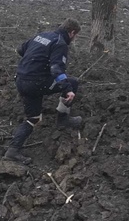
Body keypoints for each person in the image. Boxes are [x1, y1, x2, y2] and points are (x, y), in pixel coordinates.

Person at [5, 19, 83, 164]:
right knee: (72, 82)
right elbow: (56, 69)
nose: (75, 39)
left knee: (33, 118)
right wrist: (68, 90)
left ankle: (13, 150)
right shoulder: (60, 43)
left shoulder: (42, 35)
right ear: (72, 33)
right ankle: (63, 119)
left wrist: (34, 64)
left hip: (21, 80)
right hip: (35, 83)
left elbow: (20, 50)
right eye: (76, 36)